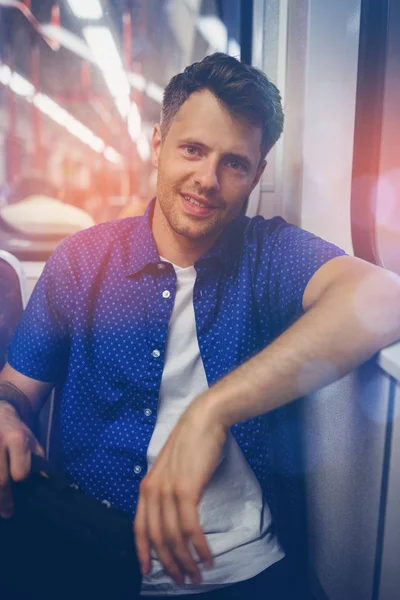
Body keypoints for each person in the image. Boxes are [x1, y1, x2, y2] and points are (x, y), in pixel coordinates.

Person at [0, 53, 399, 599]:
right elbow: (17, 387)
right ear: (159, 143)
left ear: (257, 174)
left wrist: (211, 412)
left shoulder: (269, 254)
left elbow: (383, 295)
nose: (207, 180)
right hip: (90, 550)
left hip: (242, 566)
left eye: (234, 164)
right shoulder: (80, 260)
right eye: (193, 150)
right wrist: (4, 413)